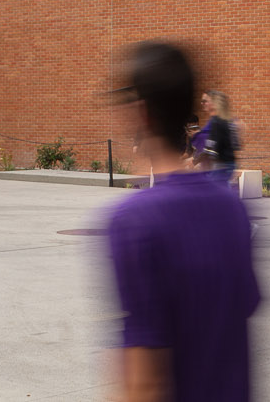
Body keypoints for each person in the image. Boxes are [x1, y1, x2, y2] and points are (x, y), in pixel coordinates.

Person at [103, 41, 259, 401]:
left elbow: (144, 375)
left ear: (141, 111)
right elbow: (245, 306)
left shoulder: (134, 220)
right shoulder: (233, 209)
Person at [193, 90, 240, 183]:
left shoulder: (216, 121)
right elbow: (235, 145)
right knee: (223, 191)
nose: (203, 103)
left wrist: (195, 161)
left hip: (220, 165)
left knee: (212, 191)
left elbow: (211, 149)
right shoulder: (226, 120)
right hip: (228, 163)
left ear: (214, 103)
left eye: (206, 101)